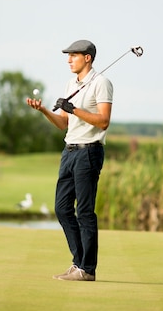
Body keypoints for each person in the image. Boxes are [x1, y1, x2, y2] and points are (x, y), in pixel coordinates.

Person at [26, 39, 113, 282]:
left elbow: (103, 121)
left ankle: (87, 269)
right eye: (68, 56)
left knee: (84, 211)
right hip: (69, 151)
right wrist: (44, 111)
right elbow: (63, 122)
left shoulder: (101, 83)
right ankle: (79, 263)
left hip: (89, 151)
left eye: (73, 55)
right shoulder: (70, 84)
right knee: (62, 208)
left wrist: (73, 109)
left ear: (87, 58)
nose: (68, 60)